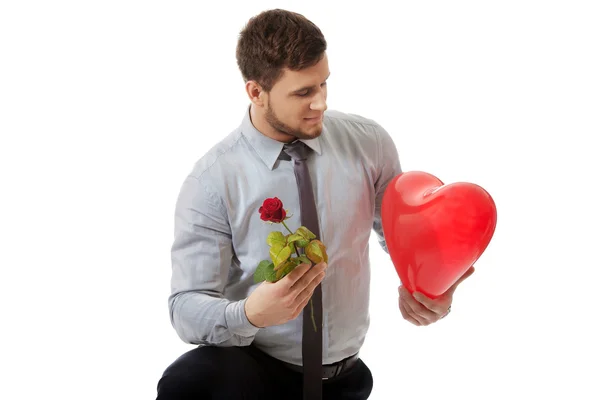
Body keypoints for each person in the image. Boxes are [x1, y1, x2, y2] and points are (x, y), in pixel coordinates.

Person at [156, 8, 474, 400]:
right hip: (257, 373)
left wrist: (430, 287)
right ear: (256, 92)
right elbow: (185, 307)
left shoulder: (368, 143)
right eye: (303, 92)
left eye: (323, 84)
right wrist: (250, 314)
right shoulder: (212, 181)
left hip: (346, 378)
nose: (320, 103)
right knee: (188, 382)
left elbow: (400, 234)